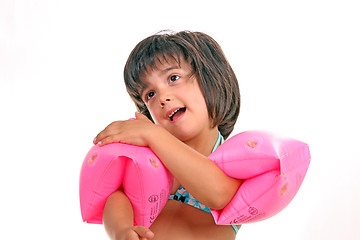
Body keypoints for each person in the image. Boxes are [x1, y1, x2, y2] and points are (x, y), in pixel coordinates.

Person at [93, 30, 243, 240]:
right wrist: (121, 230)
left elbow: (219, 196)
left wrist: (153, 135)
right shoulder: (150, 159)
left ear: (211, 80)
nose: (162, 98)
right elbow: (119, 196)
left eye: (173, 78)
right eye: (150, 94)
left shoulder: (239, 157)